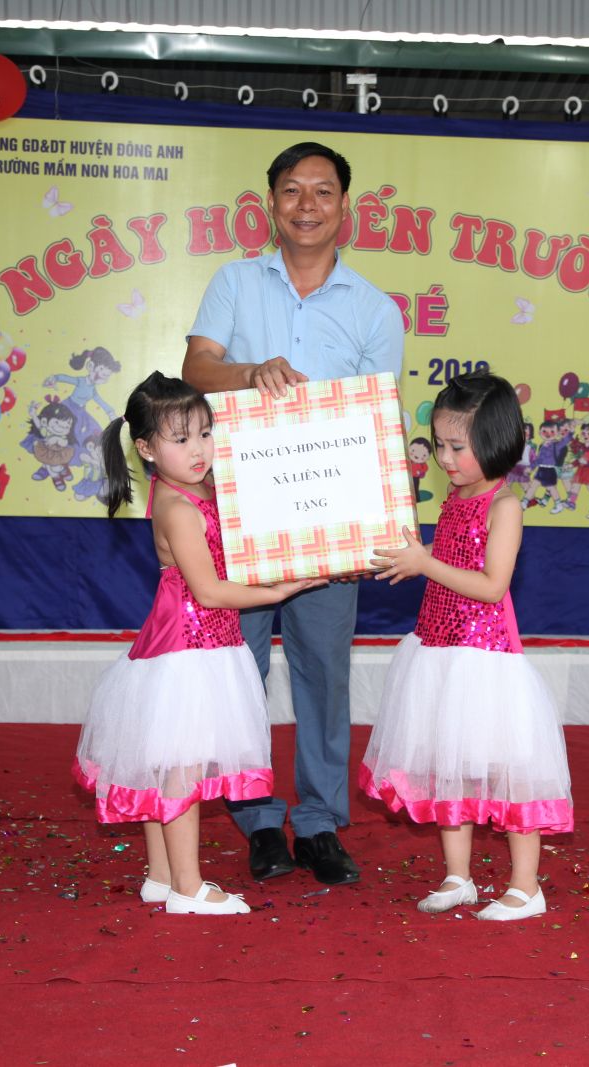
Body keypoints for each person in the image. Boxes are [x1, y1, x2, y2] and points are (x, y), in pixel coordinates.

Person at [182, 141, 405, 886]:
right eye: (291, 190)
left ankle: (317, 823)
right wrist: (251, 373)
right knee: (239, 671)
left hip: (331, 523)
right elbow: (195, 368)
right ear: (269, 203)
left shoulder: (375, 309)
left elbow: (377, 421)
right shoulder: (235, 282)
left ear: (346, 207)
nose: (306, 205)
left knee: (324, 674)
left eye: (322, 191)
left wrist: (377, 524)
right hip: (243, 517)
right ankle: (256, 820)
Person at [72, 372, 323, 915]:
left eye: (206, 434)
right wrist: (280, 590)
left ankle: (161, 876)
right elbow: (208, 591)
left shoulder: (198, 489)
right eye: (181, 439)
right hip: (187, 648)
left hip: (203, 644)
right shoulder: (178, 507)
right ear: (146, 449)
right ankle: (187, 887)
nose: (199, 449)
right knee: (180, 769)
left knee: (166, 764)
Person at [363, 373, 573, 921]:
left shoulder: (505, 506)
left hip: (484, 658)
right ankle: (458, 876)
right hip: (438, 649)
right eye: (439, 445)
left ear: (496, 439)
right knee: (447, 763)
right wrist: (417, 555)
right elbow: (453, 551)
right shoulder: (456, 497)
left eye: (457, 447)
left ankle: (526, 886)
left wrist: (426, 563)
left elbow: (491, 585)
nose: (445, 458)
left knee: (507, 771)